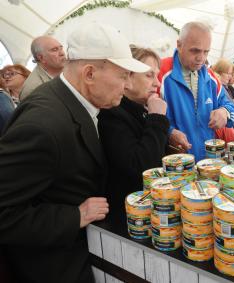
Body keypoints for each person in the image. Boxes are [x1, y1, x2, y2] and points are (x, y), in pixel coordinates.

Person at [0, 23, 149, 283]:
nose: (127, 85)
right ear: (89, 73)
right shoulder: (43, 126)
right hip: (56, 265)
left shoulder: (80, 100)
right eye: (123, 75)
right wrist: (74, 216)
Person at [98, 47, 169, 211]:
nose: (157, 83)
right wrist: (157, 119)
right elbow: (142, 167)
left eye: (157, 76)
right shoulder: (111, 115)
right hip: (131, 212)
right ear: (127, 77)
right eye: (149, 75)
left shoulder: (137, 109)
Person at [158, 21, 234, 161]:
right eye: (195, 50)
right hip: (175, 165)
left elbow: (231, 106)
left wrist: (224, 112)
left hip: (208, 163)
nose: (201, 58)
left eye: (206, 52)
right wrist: (168, 132)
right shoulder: (160, 72)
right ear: (179, 45)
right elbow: (145, 116)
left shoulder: (211, 77)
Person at [20, 35, 66, 101]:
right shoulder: (33, 89)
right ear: (41, 58)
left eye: (61, 48)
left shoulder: (72, 69)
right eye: (54, 50)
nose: (62, 53)